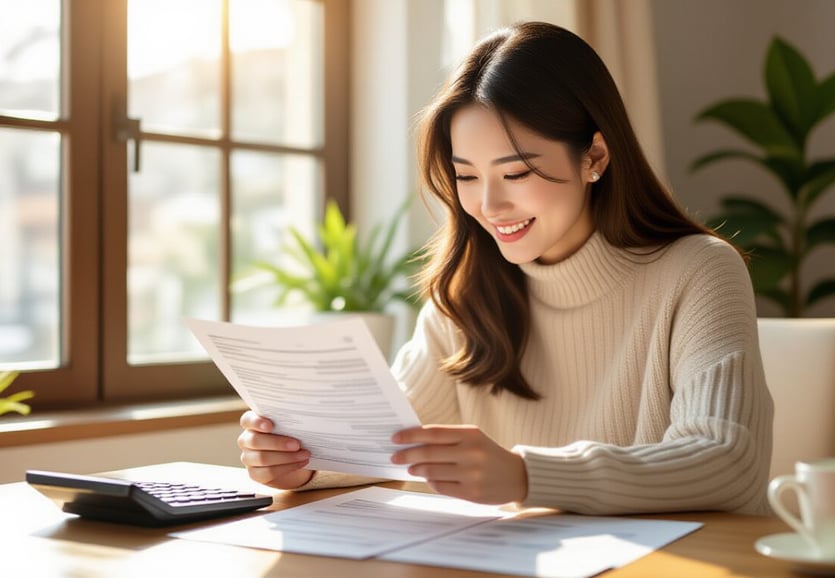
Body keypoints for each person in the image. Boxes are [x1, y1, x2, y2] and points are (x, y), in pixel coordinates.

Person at [238, 21, 773, 516]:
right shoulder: (467, 288)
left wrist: (526, 475)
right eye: (466, 176)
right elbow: (390, 441)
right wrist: (302, 462)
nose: (488, 205)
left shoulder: (698, 271)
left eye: (516, 172)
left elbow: (727, 460)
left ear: (595, 158)